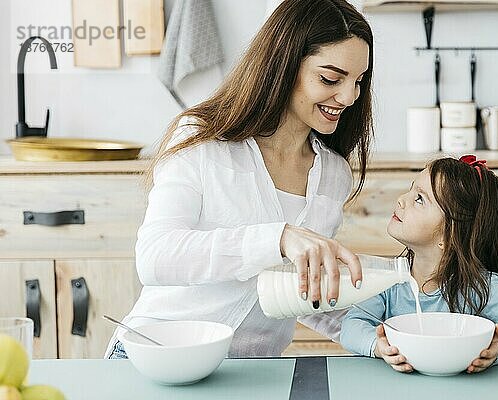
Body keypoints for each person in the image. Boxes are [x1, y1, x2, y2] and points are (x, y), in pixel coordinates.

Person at [105, 0, 374, 359]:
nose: (349, 96)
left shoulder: (333, 174)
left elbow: (305, 292)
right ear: (284, 65)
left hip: (252, 376)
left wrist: (377, 336)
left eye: (358, 81)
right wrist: (277, 238)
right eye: (330, 78)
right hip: (159, 358)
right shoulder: (203, 140)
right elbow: (155, 258)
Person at [340, 155, 498, 373]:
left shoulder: (483, 287)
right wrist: (378, 347)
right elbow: (351, 326)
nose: (401, 200)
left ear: (449, 236)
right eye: (411, 189)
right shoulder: (390, 281)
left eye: (419, 199)